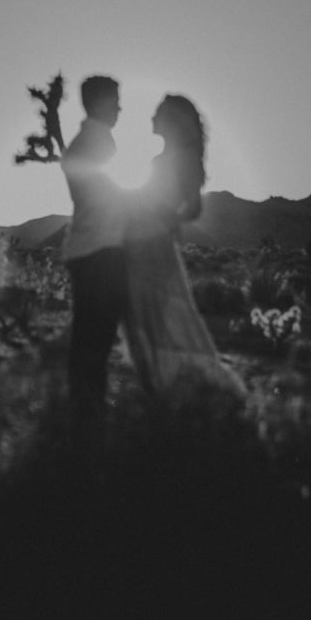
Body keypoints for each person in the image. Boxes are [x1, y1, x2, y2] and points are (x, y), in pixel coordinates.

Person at [124, 94, 244, 401]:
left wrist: (162, 217)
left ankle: (176, 389)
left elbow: (193, 209)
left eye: (158, 114)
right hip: (135, 243)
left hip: (157, 246)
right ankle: (155, 387)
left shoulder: (187, 157)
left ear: (172, 120)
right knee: (139, 317)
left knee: (160, 317)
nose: (152, 119)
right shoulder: (160, 159)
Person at [61, 75, 127, 429]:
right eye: (115, 99)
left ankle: (83, 412)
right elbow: (99, 195)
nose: (120, 107)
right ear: (99, 101)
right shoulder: (95, 142)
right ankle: (88, 417)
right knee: (95, 339)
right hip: (99, 249)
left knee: (89, 337)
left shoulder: (88, 141)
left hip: (89, 247)